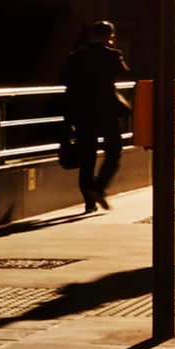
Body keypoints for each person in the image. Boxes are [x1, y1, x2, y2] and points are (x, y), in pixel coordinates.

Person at [61, 21, 131, 213]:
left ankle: (89, 201)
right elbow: (125, 73)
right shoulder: (113, 55)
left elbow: (67, 82)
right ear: (110, 36)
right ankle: (99, 187)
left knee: (87, 159)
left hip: (83, 113)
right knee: (114, 152)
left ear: (92, 34)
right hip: (107, 112)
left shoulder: (76, 56)